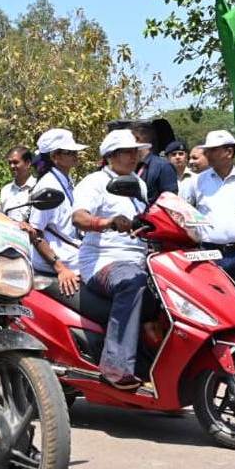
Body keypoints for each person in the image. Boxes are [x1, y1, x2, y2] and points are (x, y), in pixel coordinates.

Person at [72, 129, 150, 390]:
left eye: (135, 151)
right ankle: (116, 367)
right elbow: (79, 218)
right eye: (127, 152)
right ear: (110, 156)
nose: (134, 156)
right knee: (131, 282)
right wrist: (108, 222)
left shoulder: (139, 184)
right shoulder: (94, 182)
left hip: (140, 259)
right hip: (103, 261)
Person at [186, 130, 235, 298]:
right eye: (206, 150)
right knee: (213, 301)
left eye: (212, 150)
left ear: (229, 152)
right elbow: (186, 212)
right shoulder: (197, 181)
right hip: (210, 252)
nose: (207, 154)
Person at [29, 128, 86, 296]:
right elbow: (35, 233)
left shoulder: (65, 180)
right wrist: (60, 268)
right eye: (70, 152)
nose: (75, 155)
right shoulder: (49, 186)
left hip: (75, 258)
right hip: (62, 265)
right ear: (55, 157)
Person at [130, 122, 178, 203]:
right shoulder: (132, 166)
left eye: (129, 140)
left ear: (137, 139)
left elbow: (171, 203)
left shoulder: (163, 167)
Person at [0, 145, 36, 223]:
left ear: (28, 163)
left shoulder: (38, 187)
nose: (12, 166)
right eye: (10, 163)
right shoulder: (5, 190)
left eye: (15, 162)